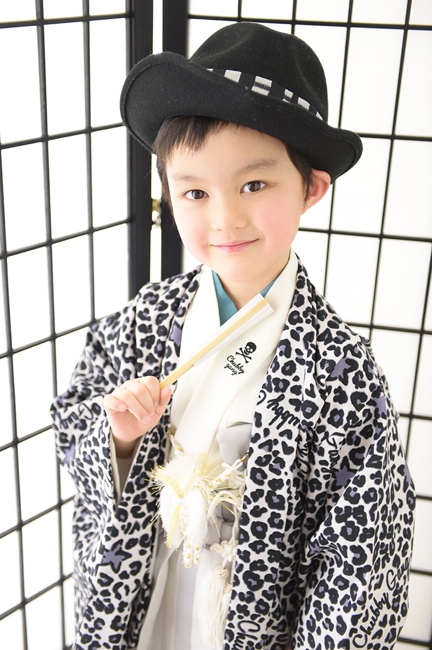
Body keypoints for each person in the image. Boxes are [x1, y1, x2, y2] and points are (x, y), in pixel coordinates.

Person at [51, 22, 415, 650]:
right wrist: (120, 438)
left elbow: (359, 563)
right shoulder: (147, 318)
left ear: (311, 187)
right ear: (167, 195)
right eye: (194, 191)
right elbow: (73, 421)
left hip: (256, 617)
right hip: (148, 587)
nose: (224, 218)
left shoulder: (341, 371)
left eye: (253, 184)